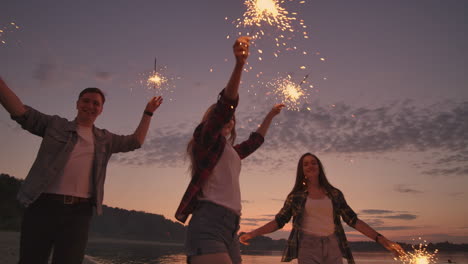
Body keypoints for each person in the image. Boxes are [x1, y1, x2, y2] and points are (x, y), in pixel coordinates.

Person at [0, 77, 163, 264]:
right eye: (86, 100)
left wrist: (148, 112)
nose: (90, 105)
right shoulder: (55, 125)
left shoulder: (105, 139)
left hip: (79, 213)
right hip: (42, 206)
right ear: (77, 103)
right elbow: (21, 112)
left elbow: (135, 141)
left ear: (101, 109)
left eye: (96, 103)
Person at [174, 36, 285, 264]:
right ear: (213, 119)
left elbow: (256, 141)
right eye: (225, 117)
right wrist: (239, 65)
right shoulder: (206, 140)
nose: (229, 120)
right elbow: (226, 105)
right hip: (209, 220)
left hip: (232, 225)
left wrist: (271, 115)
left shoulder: (231, 151)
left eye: (232, 120)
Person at [239, 153, 405, 264]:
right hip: (308, 245)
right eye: (306, 164)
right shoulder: (296, 196)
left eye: (313, 163)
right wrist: (253, 233)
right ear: (301, 170)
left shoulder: (334, 194)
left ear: (319, 167)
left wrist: (382, 240)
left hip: (333, 244)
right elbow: (279, 221)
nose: (310, 166)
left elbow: (353, 220)